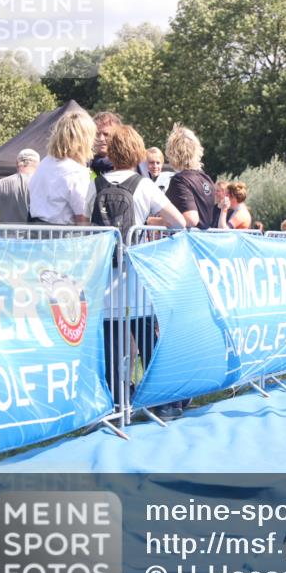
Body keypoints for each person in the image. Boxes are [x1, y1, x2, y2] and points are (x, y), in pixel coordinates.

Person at [93, 125, 186, 411]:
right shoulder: (143, 185)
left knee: (111, 345)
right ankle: (163, 403)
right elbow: (179, 222)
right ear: (137, 153)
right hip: (135, 277)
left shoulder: (95, 184)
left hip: (106, 275)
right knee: (148, 342)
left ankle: (117, 405)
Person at [28, 111, 97, 225]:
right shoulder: (76, 172)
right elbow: (82, 218)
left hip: (37, 232)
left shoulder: (44, 164)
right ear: (84, 139)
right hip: (61, 237)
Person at [164, 124, 217, 229]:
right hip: (202, 242)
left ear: (172, 152)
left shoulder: (180, 180)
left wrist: (153, 221)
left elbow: (191, 219)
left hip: (186, 243)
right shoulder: (206, 178)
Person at [0, 149, 40, 223]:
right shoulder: (43, 183)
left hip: (7, 233)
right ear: (38, 164)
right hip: (36, 234)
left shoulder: (1, 184)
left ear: (17, 163)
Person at [90, 112, 122, 177]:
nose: (101, 139)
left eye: (106, 134)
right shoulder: (83, 167)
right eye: (97, 134)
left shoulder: (131, 166)